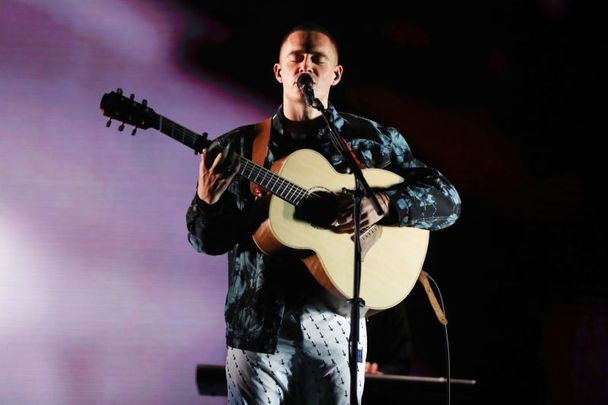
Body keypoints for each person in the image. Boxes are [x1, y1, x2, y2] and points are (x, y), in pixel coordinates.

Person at [186, 22, 461, 405]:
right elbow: (206, 241)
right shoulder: (241, 146)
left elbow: (448, 201)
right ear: (279, 71)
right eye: (296, 57)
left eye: (318, 58)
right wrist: (206, 199)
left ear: (336, 73)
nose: (306, 65)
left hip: (339, 325)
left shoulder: (372, 141)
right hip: (258, 330)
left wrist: (385, 204)